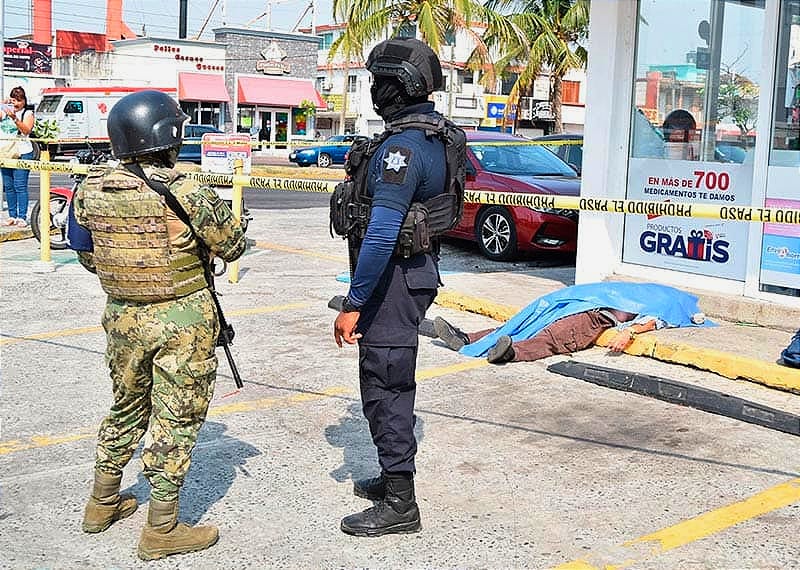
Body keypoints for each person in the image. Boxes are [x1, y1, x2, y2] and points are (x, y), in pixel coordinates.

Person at [69, 90, 246, 560]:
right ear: (168, 134)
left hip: (122, 316)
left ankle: (101, 502)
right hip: (181, 320)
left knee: (126, 404)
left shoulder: (90, 187)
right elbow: (232, 247)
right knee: (176, 418)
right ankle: (161, 529)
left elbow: (85, 253)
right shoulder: (185, 189)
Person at [332, 37, 465, 537]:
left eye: (377, 82)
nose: (373, 90)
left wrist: (353, 302)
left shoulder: (402, 149)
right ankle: (392, 477)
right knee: (386, 382)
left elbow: (384, 231)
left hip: (393, 283)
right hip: (411, 276)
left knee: (385, 386)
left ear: (399, 86)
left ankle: (400, 503)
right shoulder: (432, 136)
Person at [431, 282, 710, 364]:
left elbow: (655, 321)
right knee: (530, 322)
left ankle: (510, 352)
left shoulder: (667, 302)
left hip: (591, 314)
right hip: (584, 308)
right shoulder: (667, 299)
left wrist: (630, 333)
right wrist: (632, 331)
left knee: (548, 334)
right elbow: (655, 318)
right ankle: (467, 338)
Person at [1, 86, 36, 226]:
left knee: (20, 186)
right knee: (8, 186)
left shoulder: (27, 113)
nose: (16, 103)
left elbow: (26, 130)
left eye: (19, 100)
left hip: (22, 153)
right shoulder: (4, 111)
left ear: (24, 101)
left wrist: (14, 118)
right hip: (6, 152)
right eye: (14, 100)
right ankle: (12, 215)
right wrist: (2, 104)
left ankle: (22, 216)